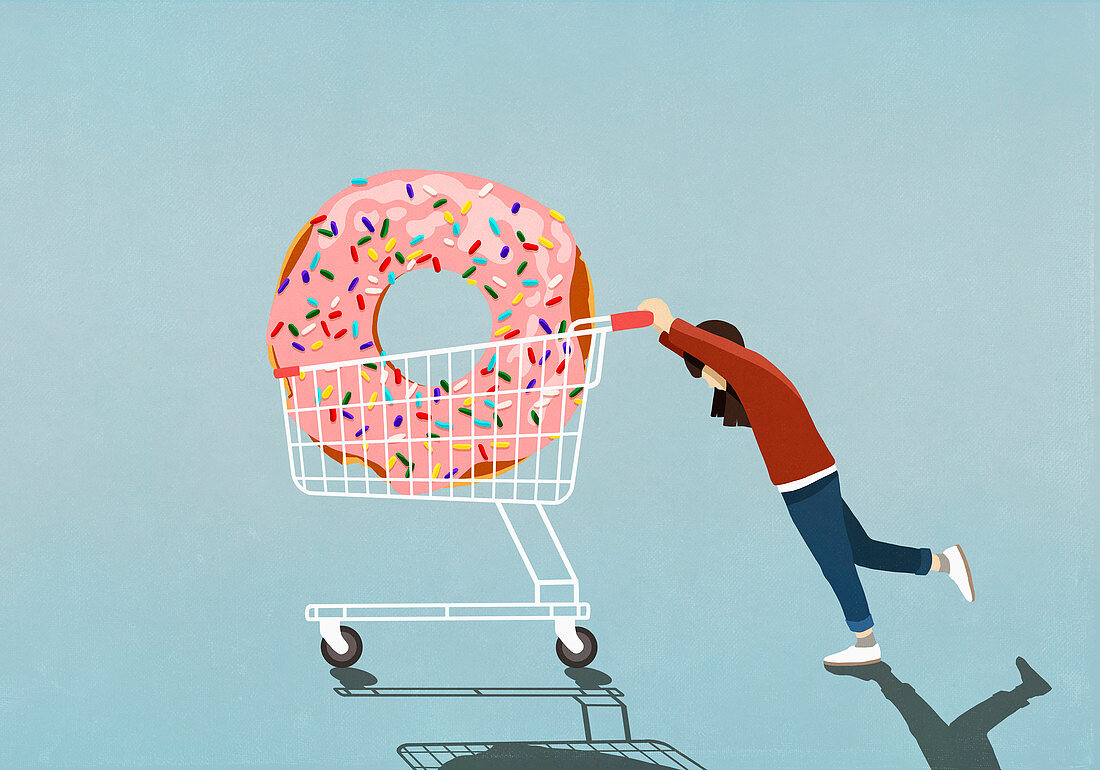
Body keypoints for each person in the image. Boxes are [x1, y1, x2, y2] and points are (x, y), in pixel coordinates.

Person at [638, 298, 975, 666]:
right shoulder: (752, 383)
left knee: (836, 564)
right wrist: (664, 334)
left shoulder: (750, 372)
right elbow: (712, 354)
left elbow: (719, 352)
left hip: (807, 484)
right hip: (810, 480)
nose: (706, 382)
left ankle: (866, 640)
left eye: (703, 372)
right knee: (860, 550)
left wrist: (671, 323)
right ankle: (944, 562)